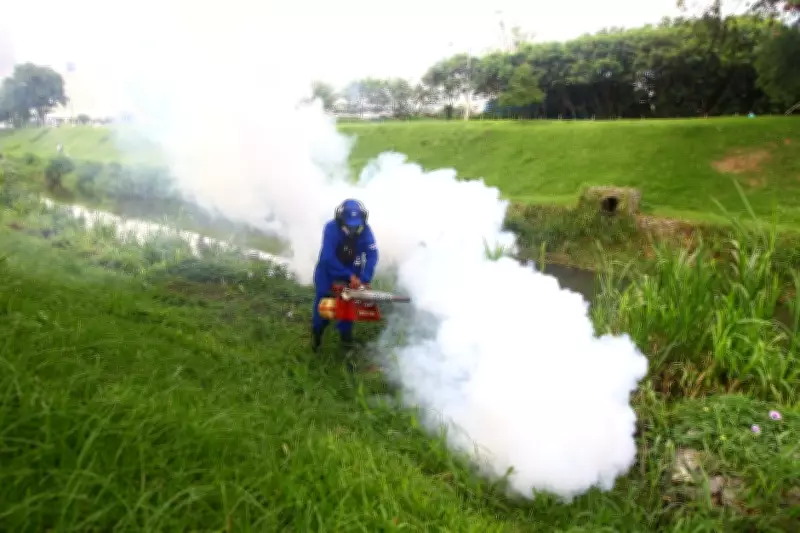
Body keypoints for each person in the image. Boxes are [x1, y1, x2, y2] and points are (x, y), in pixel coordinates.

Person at [311, 198, 379, 352]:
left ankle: (346, 340)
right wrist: (348, 276)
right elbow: (327, 258)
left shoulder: (365, 230)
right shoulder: (331, 228)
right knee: (324, 307)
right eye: (349, 226)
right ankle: (317, 336)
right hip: (328, 273)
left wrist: (365, 279)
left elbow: (372, 255)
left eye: (356, 226)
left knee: (348, 306)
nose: (353, 230)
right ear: (340, 219)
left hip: (353, 271)